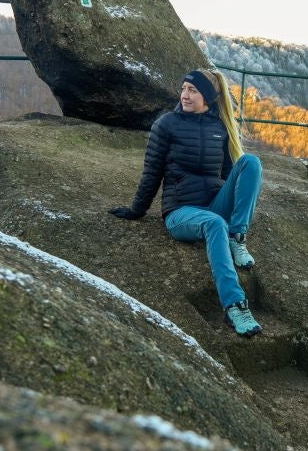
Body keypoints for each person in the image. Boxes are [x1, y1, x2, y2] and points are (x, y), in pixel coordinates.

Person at [109, 68, 264, 337]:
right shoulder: (167, 124)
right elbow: (151, 173)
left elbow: (229, 175)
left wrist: (231, 207)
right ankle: (234, 306)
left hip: (213, 204)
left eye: (192, 90)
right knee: (215, 223)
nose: (184, 95)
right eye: (183, 89)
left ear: (208, 97)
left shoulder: (220, 127)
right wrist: (137, 210)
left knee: (250, 162)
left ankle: (237, 236)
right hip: (181, 211)